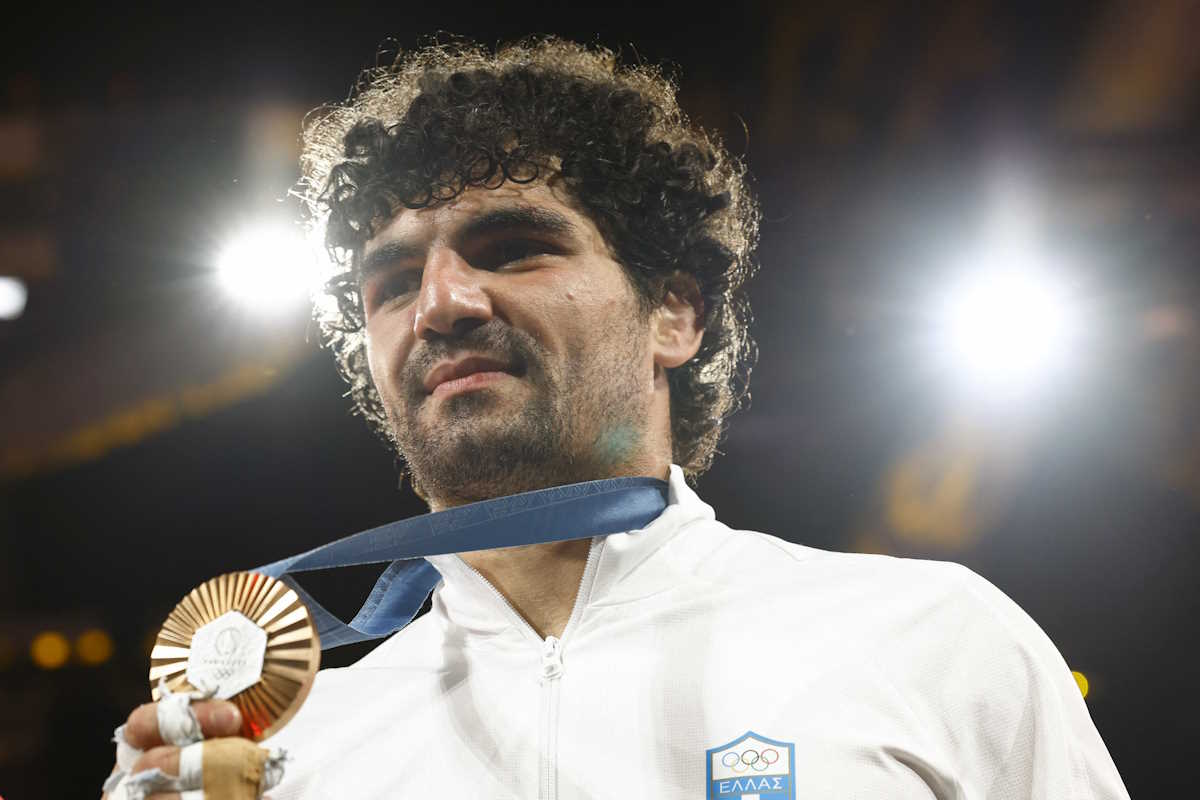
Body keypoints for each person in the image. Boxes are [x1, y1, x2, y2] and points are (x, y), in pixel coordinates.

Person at [105, 37, 1129, 799]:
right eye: (393, 279)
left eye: (513, 247)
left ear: (673, 313)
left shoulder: (935, 642)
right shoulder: (295, 755)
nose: (443, 303)